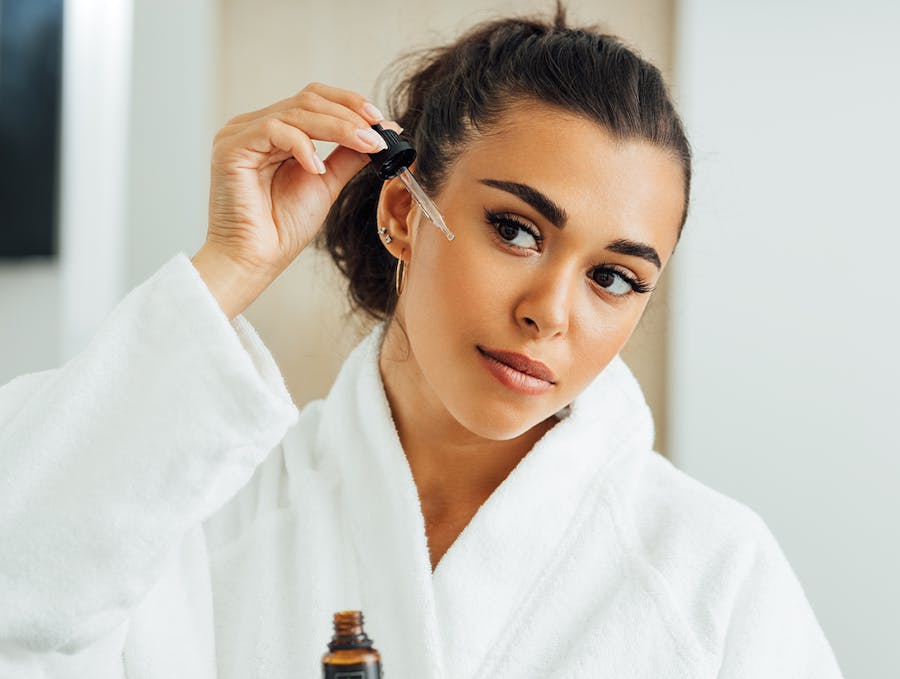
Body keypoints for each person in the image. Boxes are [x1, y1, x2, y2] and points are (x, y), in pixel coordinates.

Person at [0, 5, 844, 678]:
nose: (551, 312)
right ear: (404, 213)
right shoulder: (197, 513)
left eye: (613, 278)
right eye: (515, 230)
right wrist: (230, 264)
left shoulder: (714, 575)